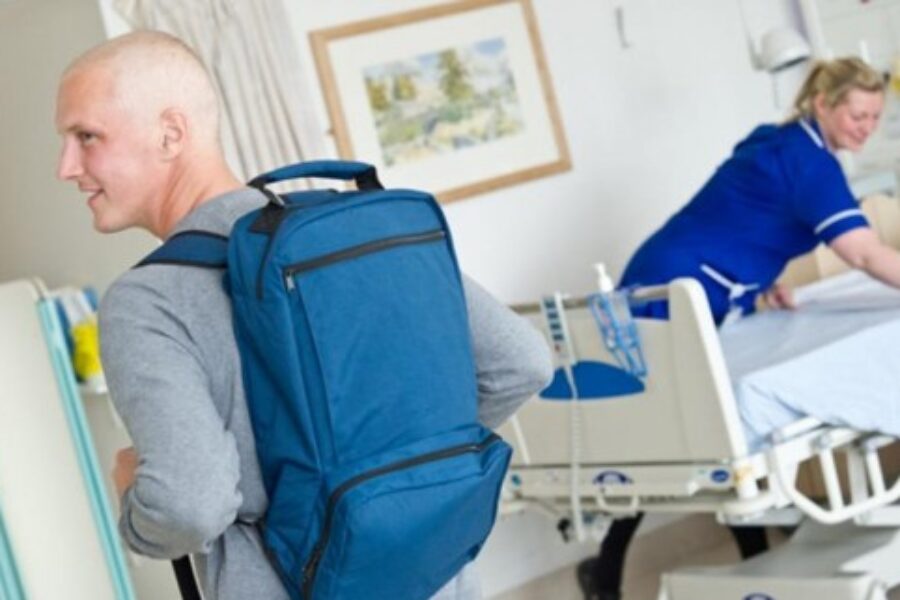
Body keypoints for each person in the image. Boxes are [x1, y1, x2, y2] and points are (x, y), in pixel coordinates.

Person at [55, 31, 552, 600]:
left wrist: (136, 508)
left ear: (171, 133)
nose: (65, 167)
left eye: (86, 136)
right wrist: (392, 469)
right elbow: (524, 361)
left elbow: (189, 504)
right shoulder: (357, 234)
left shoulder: (148, 300)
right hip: (437, 578)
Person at [579, 56, 900, 600]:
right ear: (822, 104)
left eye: (875, 117)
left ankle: (731, 561)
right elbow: (866, 254)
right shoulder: (809, 164)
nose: (867, 128)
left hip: (681, 279)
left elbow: (745, 217)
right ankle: (611, 574)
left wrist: (757, 280)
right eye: (858, 115)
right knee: (692, 430)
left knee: (701, 431)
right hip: (671, 292)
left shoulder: (777, 142)